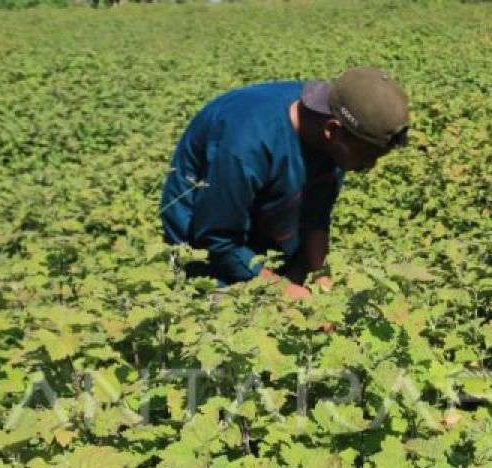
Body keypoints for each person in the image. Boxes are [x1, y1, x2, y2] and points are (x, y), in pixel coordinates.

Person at [160, 67, 408, 300]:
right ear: (332, 130)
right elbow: (217, 242)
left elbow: (317, 215)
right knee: (227, 316)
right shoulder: (246, 146)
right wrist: (284, 291)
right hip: (207, 239)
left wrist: (320, 277)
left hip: (263, 220)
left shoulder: (330, 128)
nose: (370, 166)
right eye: (367, 156)